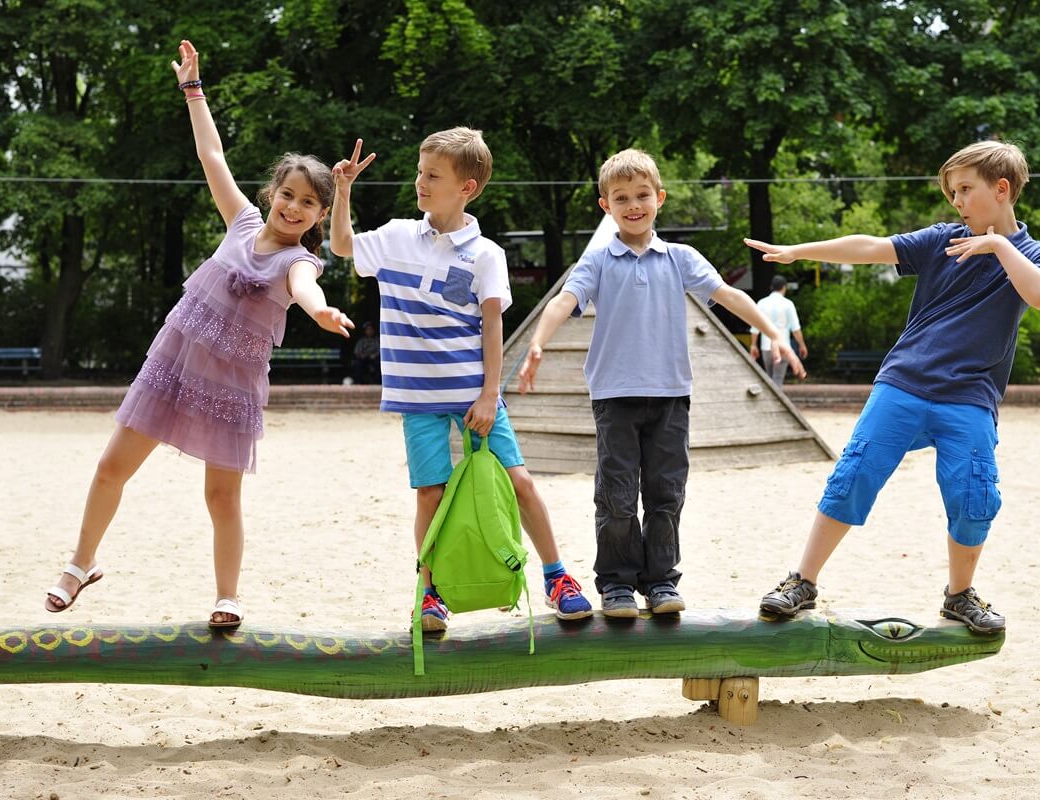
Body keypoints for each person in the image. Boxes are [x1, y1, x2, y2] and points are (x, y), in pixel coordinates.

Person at [43, 40, 354, 628]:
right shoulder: (240, 222)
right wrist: (193, 89)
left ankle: (227, 597)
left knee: (221, 497)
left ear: (318, 217)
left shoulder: (300, 263)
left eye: (309, 203)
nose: (294, 207)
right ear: (271, 194)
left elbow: (307, 289)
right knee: (112, 467)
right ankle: (79, 565)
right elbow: (212, 154)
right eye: (287, 194)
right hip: (174, 366)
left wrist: (320, 313)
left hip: (230, 388)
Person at [746, 140, 1040, 634]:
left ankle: (959, 596)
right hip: (905, 384)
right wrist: (798, 252)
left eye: (964, 189)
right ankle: (802, 582)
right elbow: (871, 247)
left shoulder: (1037, 254)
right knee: (854, 475)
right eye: (951, 192)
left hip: (971, 398)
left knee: (973, 496)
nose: (956, 201)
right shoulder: (941, 240)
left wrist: (1000, 245)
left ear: (1002, 190)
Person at [517, 149, 806, 618]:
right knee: (616, 495)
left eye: (642, 195)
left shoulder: (679, 258)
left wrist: (775, 334)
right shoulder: (597, 261)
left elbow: (729, 295)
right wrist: (538, 343)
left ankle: (661, 582)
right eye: (621, 197)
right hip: (615, 397)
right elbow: (562, 301)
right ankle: (616, 584)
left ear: (660, 198)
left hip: (671, 395)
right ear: (604, 206)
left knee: (666, 493)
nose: (634, 205)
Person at [329, 132, 593, 631]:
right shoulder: (395, 236)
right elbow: (343, 246)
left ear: (466, 187)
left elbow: (492, 326)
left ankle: (557, 576)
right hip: (418, 399)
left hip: (474, 395)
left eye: (433, 176)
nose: (420, 182)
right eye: (420, 172)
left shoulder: (486, 254)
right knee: (429, 493)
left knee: (519, 483)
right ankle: (429, 593)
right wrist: (343, 191)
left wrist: (491, 394)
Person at [749, 274, 808, 385]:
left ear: (771, 287)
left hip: (766, 345)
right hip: (783, 345)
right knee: (778, 378)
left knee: (769, 377)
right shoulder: (788, 304)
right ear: (784, 287)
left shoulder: (762, 303)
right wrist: (802, 345)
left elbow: (755, 326)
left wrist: (753, 344)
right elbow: (795, 328)